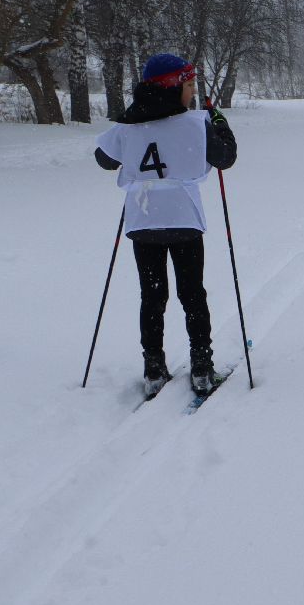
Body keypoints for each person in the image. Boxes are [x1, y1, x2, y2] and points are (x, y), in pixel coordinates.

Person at [94, 54, 237, 397]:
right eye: (189, 85)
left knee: (152, 295)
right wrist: (219, 122)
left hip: (143, 221)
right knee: (192, 292)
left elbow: (103, 159)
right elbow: (225, 157)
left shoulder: (128, 125)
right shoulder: (196, 124)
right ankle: (201, 366)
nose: (193, 92)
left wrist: (133, 139)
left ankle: (154, 368)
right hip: (183, 219)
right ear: (173, 87)